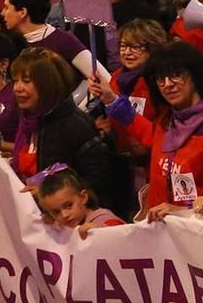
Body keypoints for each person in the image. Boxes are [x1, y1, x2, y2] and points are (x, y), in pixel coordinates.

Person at [109, 42, 203, 219]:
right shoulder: (166, 119)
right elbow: (147, 134)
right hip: (162, 233)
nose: (167, 84)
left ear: (195, 75)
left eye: (176, 75)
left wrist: (180, 213)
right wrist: (110, 99)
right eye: (160, 78)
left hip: (199, 233)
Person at [8, 47, 120, 207]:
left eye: (26, 81)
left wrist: (48, 193)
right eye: (15, 80)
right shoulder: (30, 121)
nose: (17, 88)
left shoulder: (75, 127)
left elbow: (98, 185)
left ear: (47, 84)